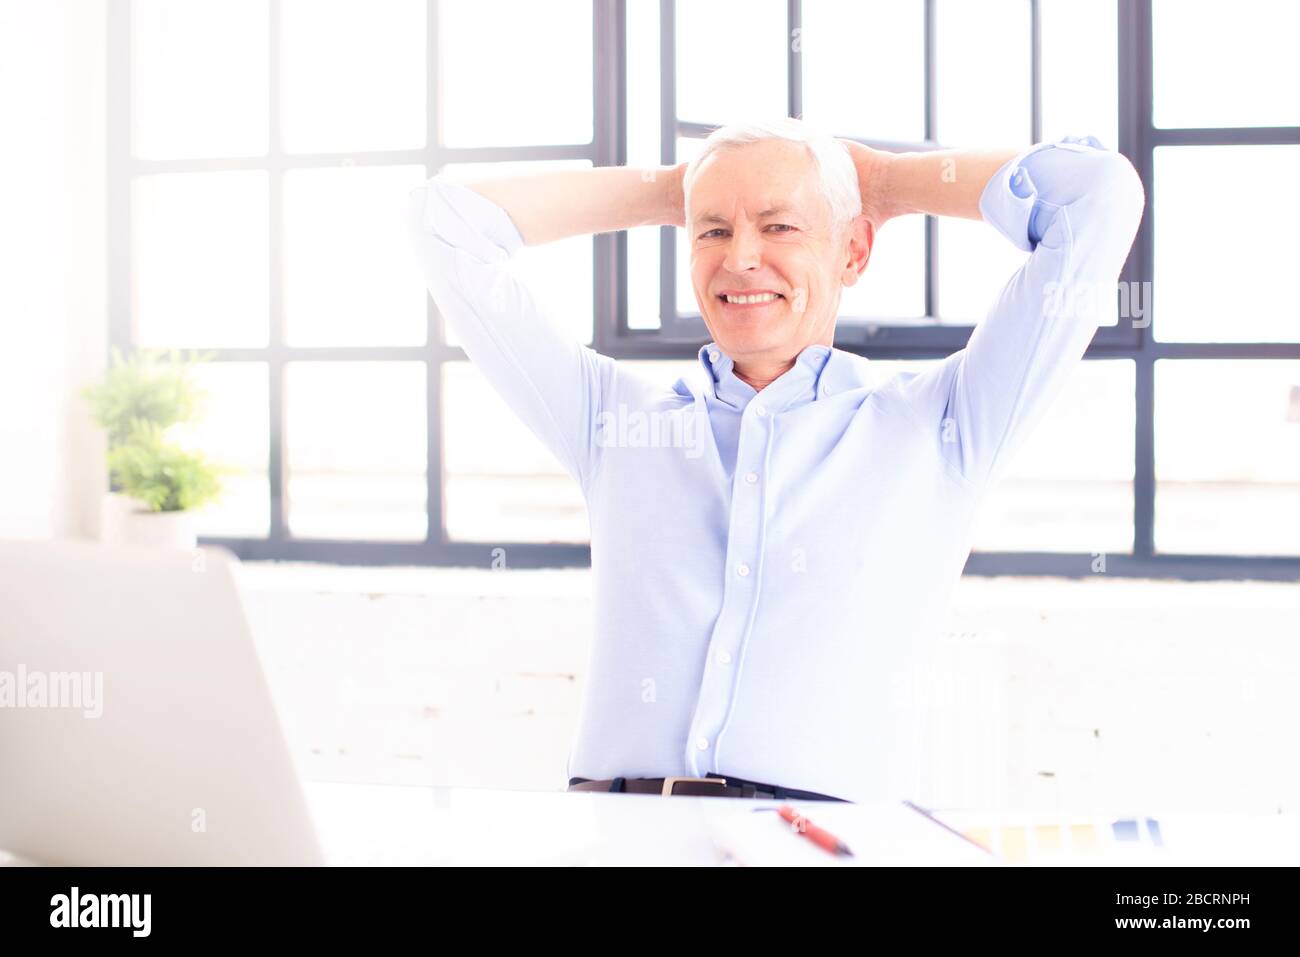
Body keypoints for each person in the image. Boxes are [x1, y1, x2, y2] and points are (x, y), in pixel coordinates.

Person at [406, 116, 1144, 803]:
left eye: (779, 224)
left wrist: (884, 183)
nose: (741, 257)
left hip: (819, 841)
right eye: (713, 230)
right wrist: (675, 190)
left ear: (853, 249)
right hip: (614, 830)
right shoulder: (611, 421)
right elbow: (447, 223)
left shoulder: (942, 425)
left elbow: (1098, 194)